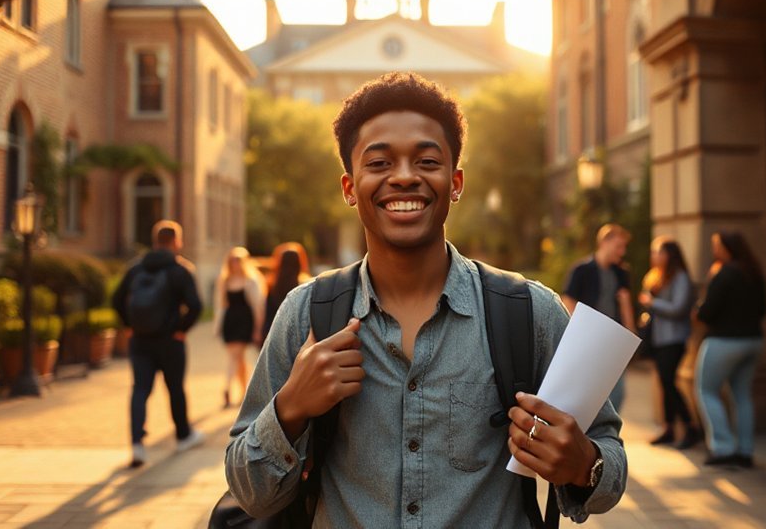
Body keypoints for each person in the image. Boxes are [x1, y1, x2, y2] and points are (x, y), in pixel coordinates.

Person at [226, 72, 626, 526]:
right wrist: (290, 408)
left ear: (455, 183)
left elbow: (609, 466)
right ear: (349, 188)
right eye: (378, 163)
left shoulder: (528, 312)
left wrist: (581, 464)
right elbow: (247, 493)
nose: (403, 177)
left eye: (427, 161)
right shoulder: (307, 315)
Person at [112, 220, 204, 468]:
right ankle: (183, 435)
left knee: (140, 389)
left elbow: (117, 299)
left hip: (140, 341)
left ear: (155, 241)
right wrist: (181, 329)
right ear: (176, 241)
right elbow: (195, 306)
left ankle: (137, 445)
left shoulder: (136, 268)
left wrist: (129, 325)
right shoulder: (180, 270)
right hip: (170, 341)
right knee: (175, 388)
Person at [694, 231, 766, 468]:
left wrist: (708, 286)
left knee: (706, 390)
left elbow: (706, 313)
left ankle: (723, 448)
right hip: (753, 341)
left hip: (723, 341)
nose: (714, 251)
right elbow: (764, 308)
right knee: (742, 396)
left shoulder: (723, 274)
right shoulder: (754, 272)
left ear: (728, 248)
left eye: (717, 246)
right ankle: (745, 451)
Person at [561, 224, 636, 411]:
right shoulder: (581, 270)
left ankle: (609, 433)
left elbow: (625, 304)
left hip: (615, 338)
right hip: (588, 338)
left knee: (617, 393)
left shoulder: (621, 273)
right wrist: (577, 333)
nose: (623, 251)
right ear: (604, 242)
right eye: (619, 246)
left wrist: (631, 335)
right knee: (588, 389)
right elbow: (568, 301)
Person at [638, 236, 700, 449]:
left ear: (669, 255)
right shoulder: (657, 275)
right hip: (659, 338)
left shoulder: (680, 277)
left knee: (669, 381)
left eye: (658, 252)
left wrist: (653, 303)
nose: (654, 256)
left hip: (674, 338)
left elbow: (679, 308)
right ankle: (669, 428)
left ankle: (691, 427)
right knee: (664, 382)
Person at [215, 246, 266, 408]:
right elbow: (220, 305)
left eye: (238, 260)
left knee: (235, 356)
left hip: (245, 321)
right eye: (232, 260)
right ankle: (244, 392)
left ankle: (227, 388)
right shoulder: (225, 280)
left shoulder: (251, 280)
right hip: (230, 322)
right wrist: (218, 326)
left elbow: (258, 305)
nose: (235, 263)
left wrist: (258, 328)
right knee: (238, 358)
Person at [262, 241, 311, 338]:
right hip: (297, 332)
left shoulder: (271, 284)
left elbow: (267, 311)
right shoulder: (305, 284)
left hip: (273, 330)